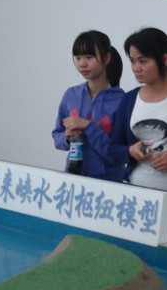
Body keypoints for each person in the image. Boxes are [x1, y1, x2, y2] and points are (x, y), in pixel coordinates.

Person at [110, 27, 167, 246]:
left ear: (165, 59)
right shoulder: (129, 100)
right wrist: (129, 151)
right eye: (133, 61)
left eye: (143, 61)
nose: (136, 68)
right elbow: (113, 147)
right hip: (135, 199)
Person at [52, 30, 125, 182]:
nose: (82, 63)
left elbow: (119, 153)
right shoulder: (71, 95)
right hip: (73, 178)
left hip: (110, 183)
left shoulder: (122, 101)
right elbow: (57, 136)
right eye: (78, 58)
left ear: (107, 58)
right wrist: (66, 137)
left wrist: (87, 127)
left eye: (89, 57)